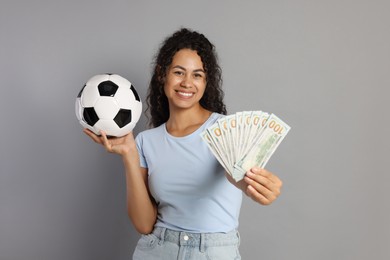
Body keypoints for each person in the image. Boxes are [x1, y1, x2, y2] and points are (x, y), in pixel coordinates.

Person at [84, 28, 283, 260]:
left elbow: (239, 177)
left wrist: (258, 186)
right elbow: (144, 224)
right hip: (157, 250)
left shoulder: (227, 131)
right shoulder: (146, 141)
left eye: (197, 75)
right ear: (162, 74)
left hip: (213, 253)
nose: (187, 83)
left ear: (206, 81)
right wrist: (128, 154)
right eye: (179, 72)